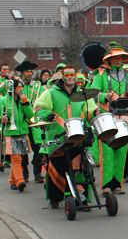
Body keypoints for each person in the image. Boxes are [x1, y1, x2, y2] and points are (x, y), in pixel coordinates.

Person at [33, 65, 98, 207]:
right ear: (62, 77)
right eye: (67, 75)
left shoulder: (82, 94)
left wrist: (94, 114)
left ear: (75, 76)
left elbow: (90, 110)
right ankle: (55, 199)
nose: (70, 77)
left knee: (80, 166)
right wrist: (47, 114)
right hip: (58, 137)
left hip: (77, 136)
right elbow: (38, 108)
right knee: (57, 168)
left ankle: (81, 197)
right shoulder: (51, 93)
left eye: (72, 75)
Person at [89, 42, 128, 195]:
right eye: (115, 57)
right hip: (107, 117)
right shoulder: (101, 75)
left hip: (124, 116)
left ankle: (117, 184)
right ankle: (106, 185)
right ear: (109, 60)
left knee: (121, 151)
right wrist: (105, 96)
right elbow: (92, 94)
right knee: (107, 152)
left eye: (120, 57)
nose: (118, 60)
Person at [0, 78, 34, 192]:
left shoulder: (24, 99)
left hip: (22, 131)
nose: (21, 89)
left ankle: (12, 181)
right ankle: (19, 181)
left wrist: (25, 103)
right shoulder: (3, 100)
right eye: (18, 88)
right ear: (12, 89)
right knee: (16, 158)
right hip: (10, 132)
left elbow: (30, 116)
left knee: (19, 157)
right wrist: (1, 118)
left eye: (22, 87)